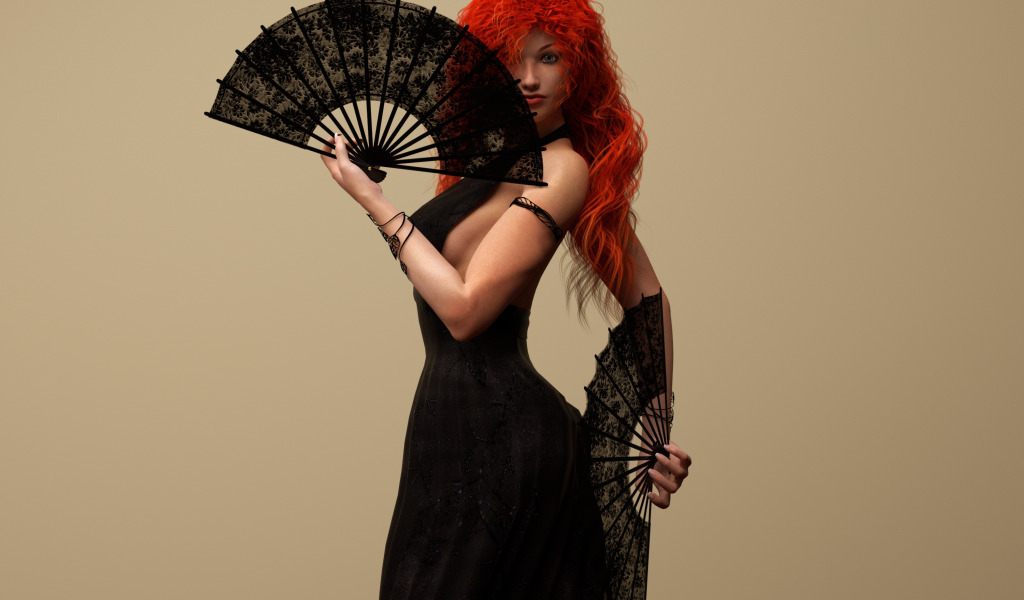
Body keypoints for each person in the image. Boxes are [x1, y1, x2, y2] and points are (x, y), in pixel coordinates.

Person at [319, 0, 691, 597]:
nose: (528, 78)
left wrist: (375, 203)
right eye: (511, 59)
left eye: (550, 57)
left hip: (508, 441)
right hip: (446, 430)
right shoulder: (487, 165)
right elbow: (650, 297)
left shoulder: (563, 169)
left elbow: (465, 312)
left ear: (580, 66)